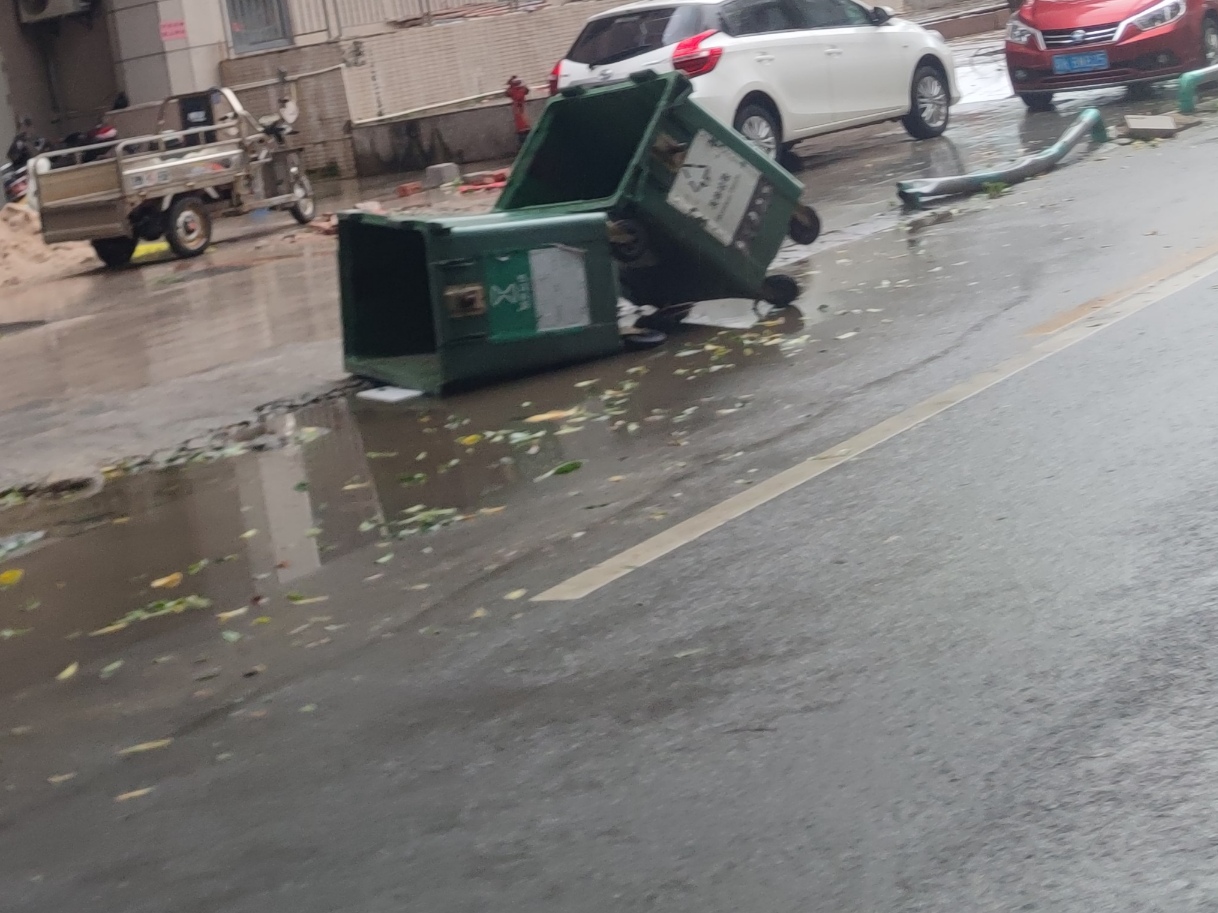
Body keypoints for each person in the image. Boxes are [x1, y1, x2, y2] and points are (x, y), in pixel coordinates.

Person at [505, 76, 531, 150]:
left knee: (523, 128)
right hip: (522, 116)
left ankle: (524, 146)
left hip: (520, 116)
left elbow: (507, 93)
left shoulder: (514, 90)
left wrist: (511, 85)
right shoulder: (520, 89)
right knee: (524, 127)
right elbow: (526, 90)